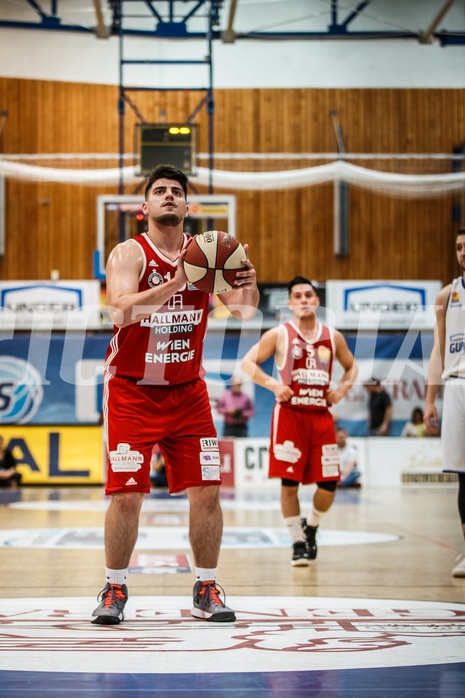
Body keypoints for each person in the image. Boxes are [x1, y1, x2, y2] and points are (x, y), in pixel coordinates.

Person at [92, 164, 259, 624]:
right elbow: (121, 312)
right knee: (127, 495)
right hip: (131, 391)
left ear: (189, 207)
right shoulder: (130, 253)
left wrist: (246, 281)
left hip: (187, 393)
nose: (169, 196)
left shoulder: (206, 254)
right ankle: (114, 588)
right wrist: (179, 281)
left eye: (177, 192)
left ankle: (206, 586)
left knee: (207, 491)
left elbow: (245, 312)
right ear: (144, 208)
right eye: (160, 191)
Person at [241, 276, 358, 566]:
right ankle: (296, 541)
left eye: (309, 295)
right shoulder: (280, 333)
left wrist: (341, 390)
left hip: (320, 416)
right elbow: (247, 363)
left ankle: (312, 527)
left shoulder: (332, 337)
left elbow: (351, 367)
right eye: (298, 296)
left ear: (316, 301)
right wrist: (273, 385)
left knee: (329, 484)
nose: (304, 300)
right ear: (291, 303)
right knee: (289, 484)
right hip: (290, 416)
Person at [424, 227, 465, 578]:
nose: (463, 252)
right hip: (456, 387)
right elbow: (439, 350)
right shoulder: (447, 296)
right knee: (463, 476)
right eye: (459, 247)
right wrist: (429, 400)